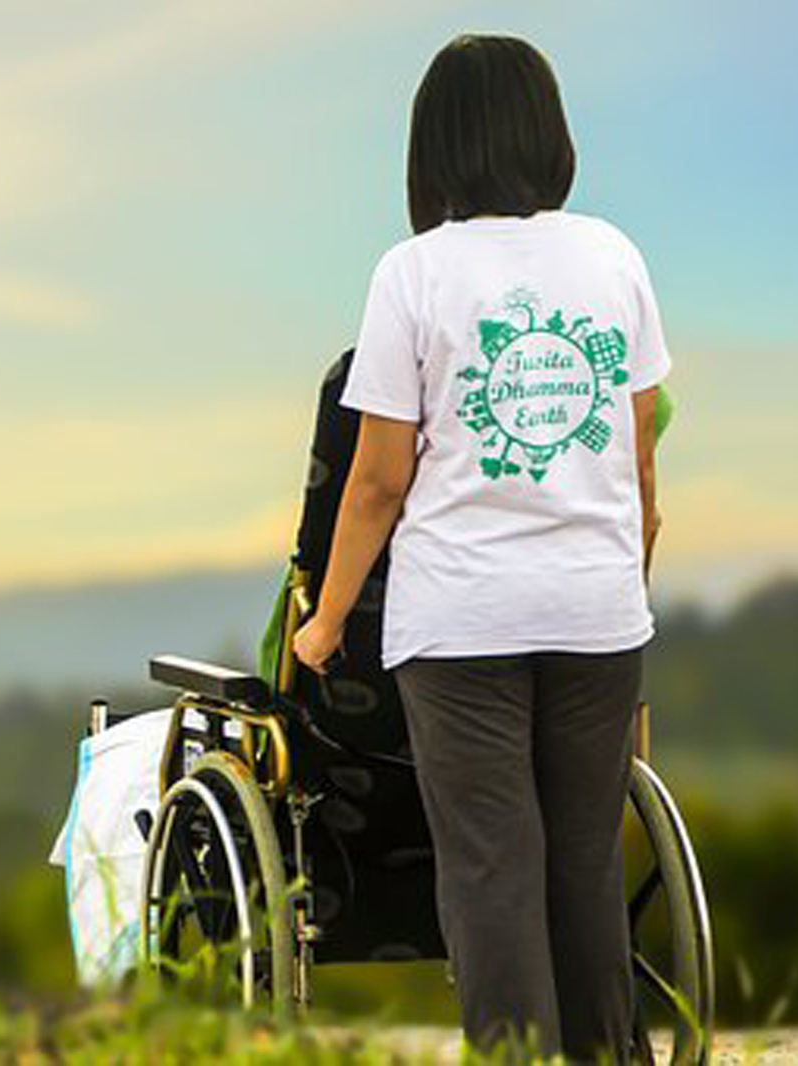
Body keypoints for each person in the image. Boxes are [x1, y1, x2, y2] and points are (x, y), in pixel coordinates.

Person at [292, 34, 670, 1064]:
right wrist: (617, 591)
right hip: (596, 614)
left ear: (434, 149)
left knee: (493, 867)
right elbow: (639, 469)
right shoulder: (613, 257)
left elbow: (375, 482)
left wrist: (325, 622)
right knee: (584, 861)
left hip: (462, 624)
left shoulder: (413, 273)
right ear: (549, 138)